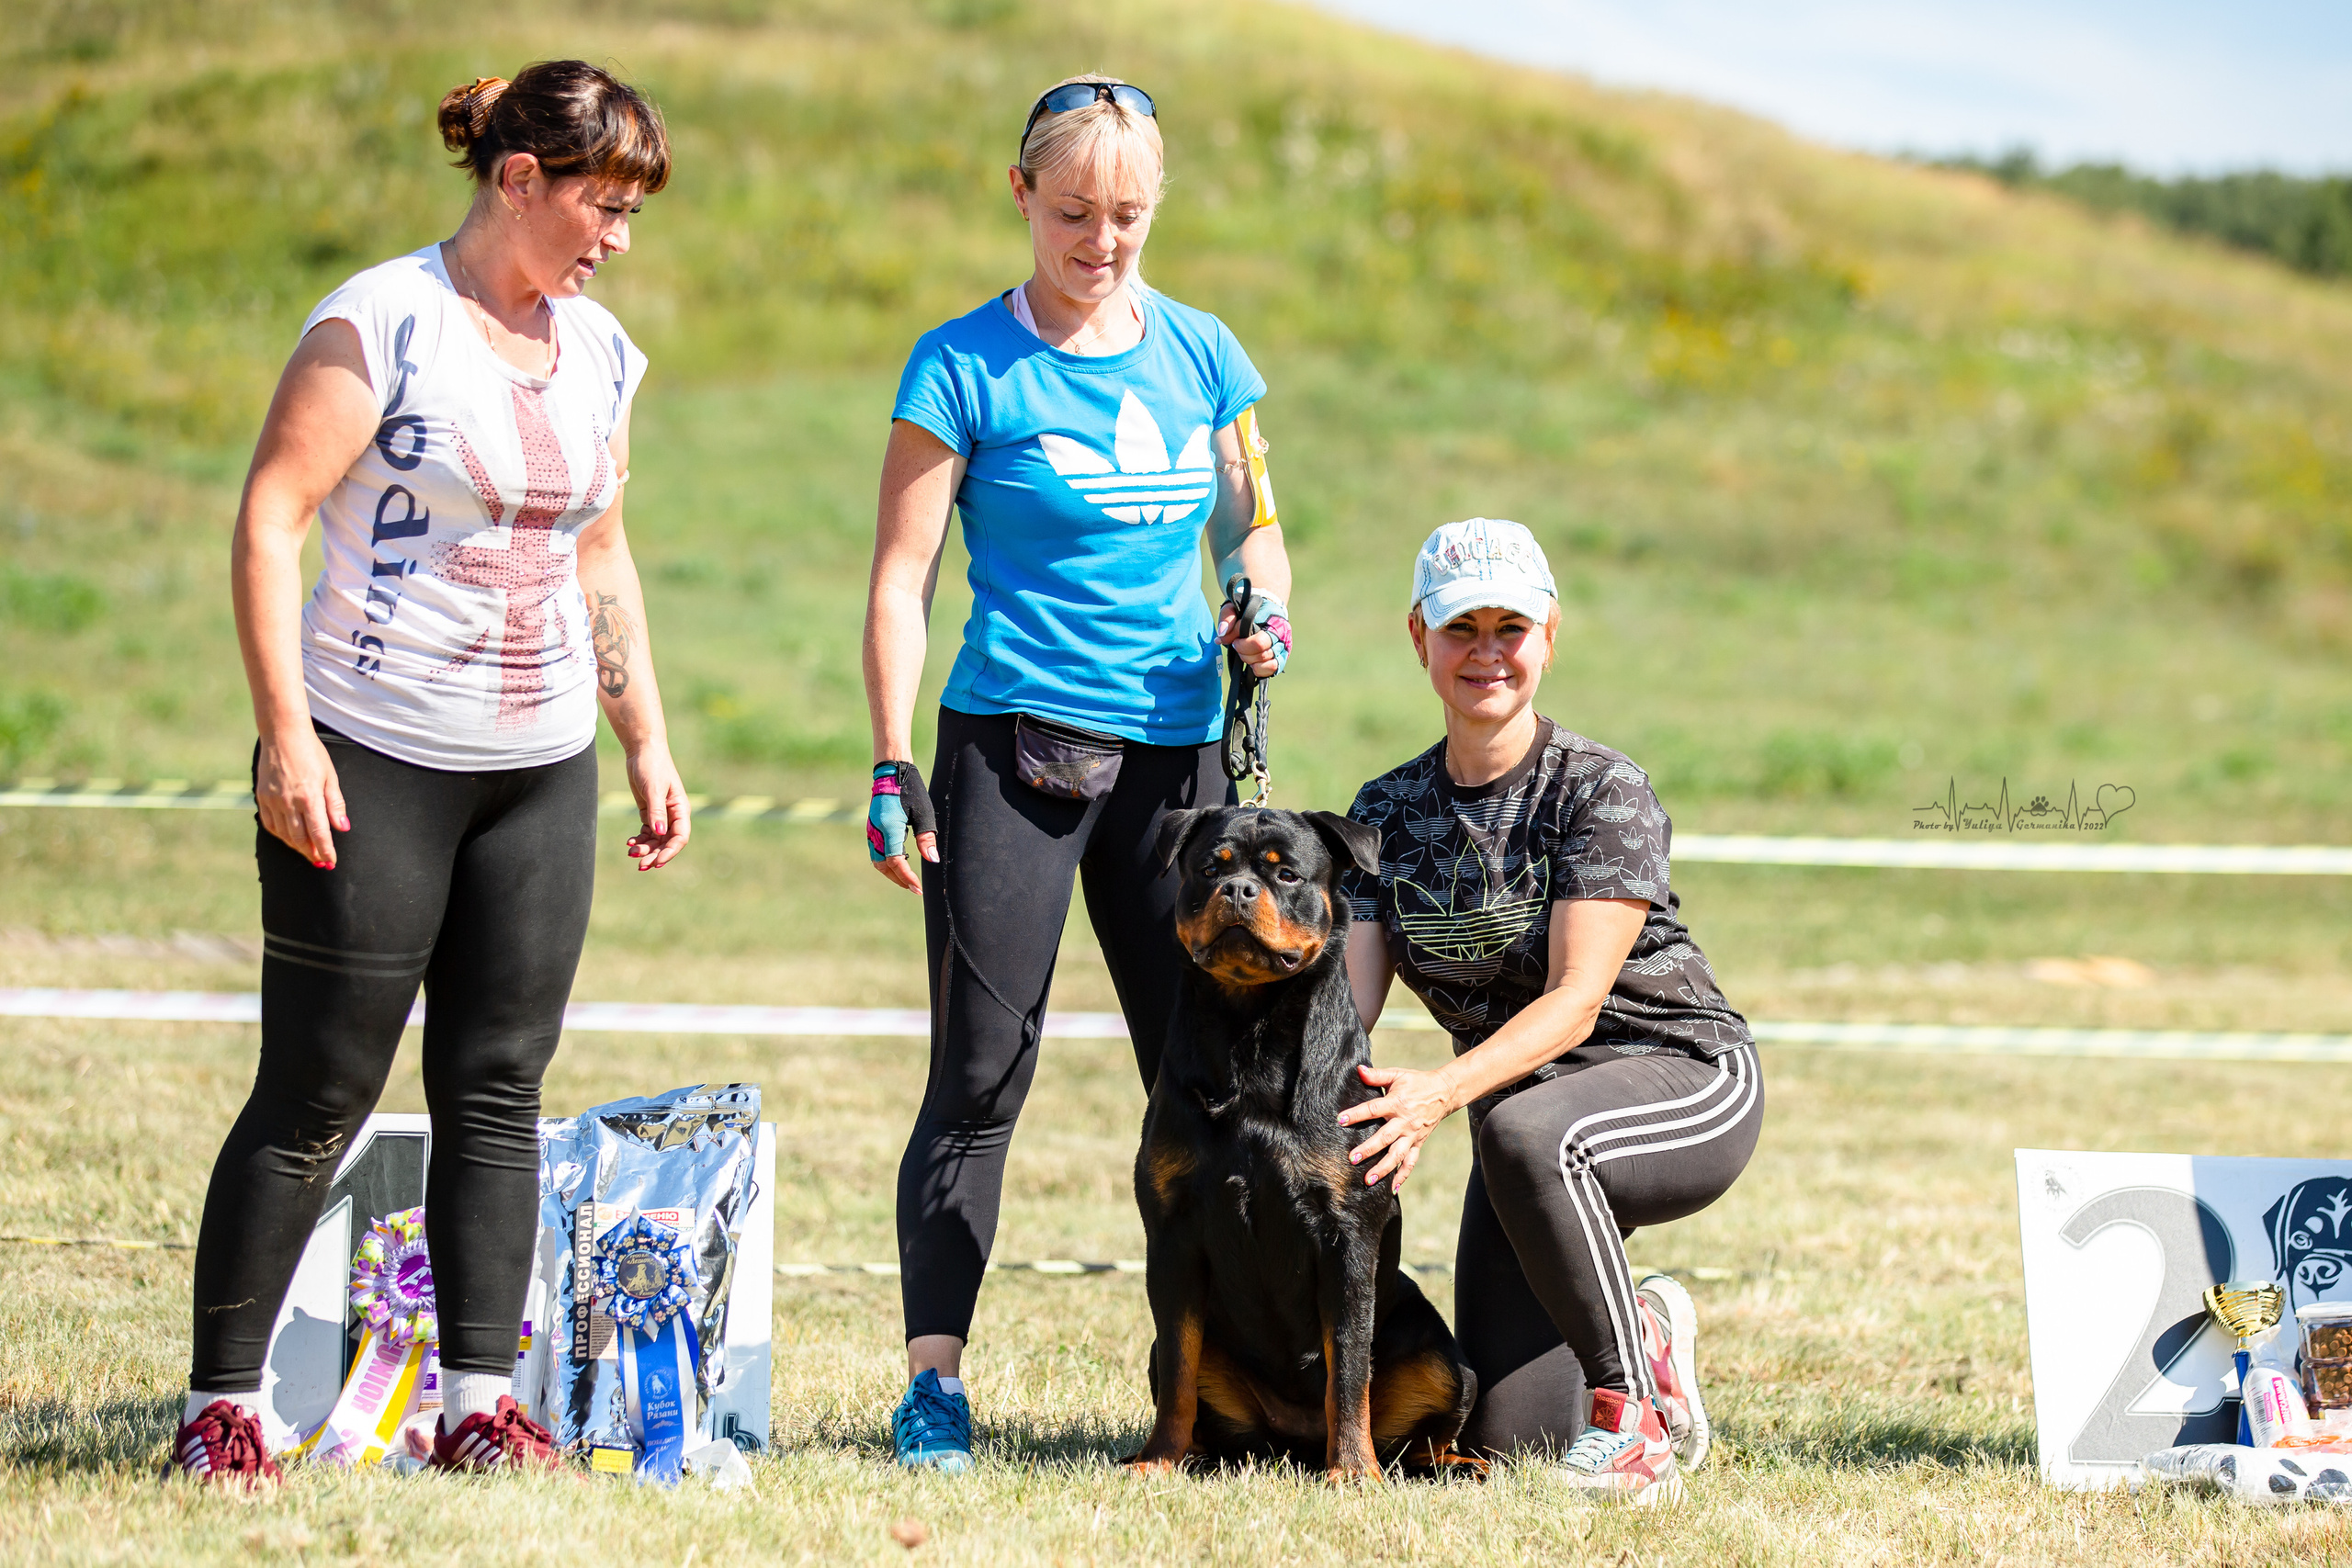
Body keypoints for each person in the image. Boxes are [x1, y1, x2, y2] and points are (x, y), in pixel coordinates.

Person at [173, 61, 688, 1484]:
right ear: (516, 178)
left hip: (539, 770)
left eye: (634, 210)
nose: (618, 238)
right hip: (369, 753)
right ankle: (220, 1406)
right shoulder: (379, 319)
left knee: (500, 1089)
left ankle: (477, 1404)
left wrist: (644, 735)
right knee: (317, 1089)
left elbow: (602, 551)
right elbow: (272, 517)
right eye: (602, 202)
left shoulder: (601, 351)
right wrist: (287, 731)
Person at [862, 74, 1292, 1473]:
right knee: (983, 1070)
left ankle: (1220, 1377)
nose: (1101, 240)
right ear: (1021, 197)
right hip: (1014, 755)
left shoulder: (1208, 354)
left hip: (1177, 772)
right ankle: (935, 1382)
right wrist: (887, 754)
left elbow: (1255, 529)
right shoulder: (961, 365)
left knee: (1209, 1075)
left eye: (1128, 216)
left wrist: (1262, 601)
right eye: (1072, 213)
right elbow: (901, 576)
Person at [1336, 518, 1760, 1506]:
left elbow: (1574, 1007)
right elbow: (1347, 1011)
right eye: (1461, 629)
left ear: (1549, 636)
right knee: (1511, 1438)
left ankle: (1634, 1421)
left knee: (1521, 1129)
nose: (1486, 652)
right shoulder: (1382, 809)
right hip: (1529, 1129)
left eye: (1510, 628)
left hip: (1683, 1078)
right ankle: (1641, 1336)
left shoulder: (1601, 789)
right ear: (1418, 639)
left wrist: (1436, 1094)